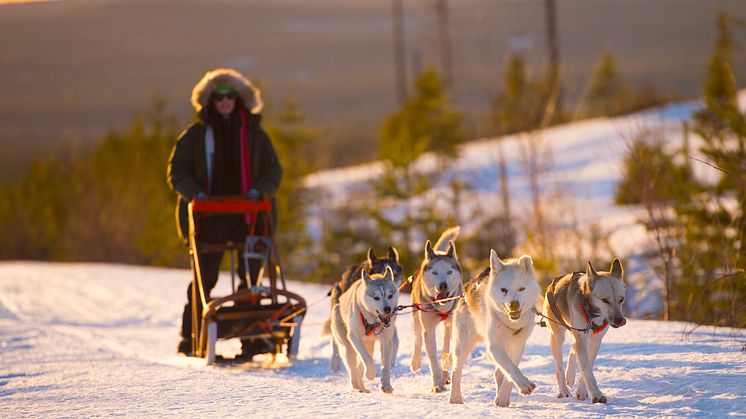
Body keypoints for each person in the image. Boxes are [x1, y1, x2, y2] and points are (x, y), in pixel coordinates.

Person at [167, 68, 282, 356]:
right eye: (219, 98)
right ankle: (192, 334)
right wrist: (195, 193)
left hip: (249, 215)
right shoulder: (195, 136)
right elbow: (177, 171)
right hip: (208, 216)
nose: (225, 102)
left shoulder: (255, 134)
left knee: (251, 276)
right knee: (206, 276)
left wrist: (261, 191)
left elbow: (273, 171)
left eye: (230, 96)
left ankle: (253, 335)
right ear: (209, 102)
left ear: (239, 99)